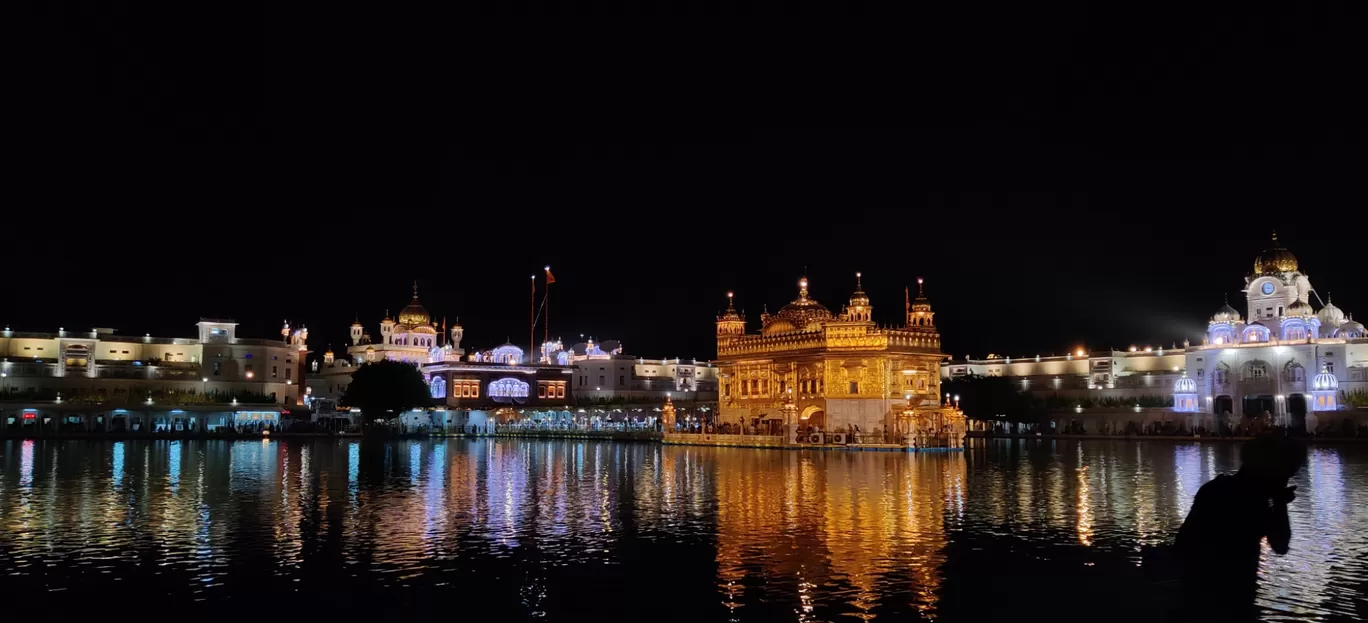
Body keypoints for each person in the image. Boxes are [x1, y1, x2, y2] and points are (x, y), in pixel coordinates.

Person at [1174, 434, 1306, 621]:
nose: (1286, 479)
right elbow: (1280, 544)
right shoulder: (1256, 501)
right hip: (1230, 601)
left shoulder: (1214, 489)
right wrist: (1279, 501)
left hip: (1195, 595)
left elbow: (1182, 542)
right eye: (1286, 473)